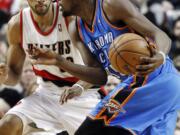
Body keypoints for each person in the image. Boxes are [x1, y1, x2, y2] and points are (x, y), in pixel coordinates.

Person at [28, 0, 180, 134]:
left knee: (90, 130)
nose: (56, 3)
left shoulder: (111, 5)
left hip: (155, 77)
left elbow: (159, 34)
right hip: (163, 90)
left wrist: (160, 55)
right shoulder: (76, 29)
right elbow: (99, 76)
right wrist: (60, 62)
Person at [0, 0, 100, 135]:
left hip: (83, 94)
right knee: (7, 125)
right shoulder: (17, 25)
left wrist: (80, 86)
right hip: (46, 95)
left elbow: (98, 69)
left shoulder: (71, 17)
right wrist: (5, 76)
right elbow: (14, 76)